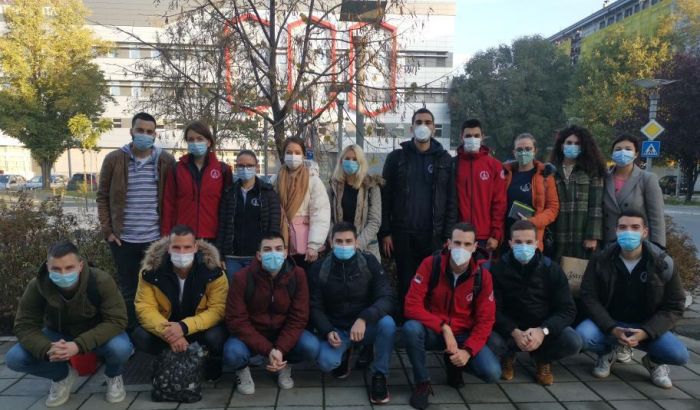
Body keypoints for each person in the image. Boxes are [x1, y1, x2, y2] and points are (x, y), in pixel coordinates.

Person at [6, 241, 131, 407]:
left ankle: (114, 375)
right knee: (14, 358)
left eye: (69, 268)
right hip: (58, 335)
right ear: (48, 267)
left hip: (97, 333)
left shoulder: (100, 280)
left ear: (80, 265)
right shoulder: (37, 286)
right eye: (56, 269)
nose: (63, 274)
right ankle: (62, 376)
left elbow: (117, 320)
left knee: (121, 348)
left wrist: (78, 345)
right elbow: (24, 325)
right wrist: (46, 347)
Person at [576, 211, 688, 389]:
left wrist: (647, 331)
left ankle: (654, 362)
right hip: (611, 324)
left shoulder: (662, 263)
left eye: (635, 227)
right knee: (582, 336)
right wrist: (611, 328)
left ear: (645, 232)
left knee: (679, 355)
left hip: (646, 325)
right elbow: (588, 296)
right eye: (623, 227)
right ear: (616, 231)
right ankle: (607, 352)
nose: (629, 232)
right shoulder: (601, 259)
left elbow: (674, 305)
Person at [403, 223, 500, 410]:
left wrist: (468, 351)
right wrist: (443, 327)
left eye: (466, 244)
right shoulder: (431, 264)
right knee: (411, 329)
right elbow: (411, 305)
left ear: (474, 247)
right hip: (434, 330)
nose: (461, 249)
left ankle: (455, 364)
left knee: (492, 373)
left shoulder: (483, 276)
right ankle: (422, 383)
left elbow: (486, 320)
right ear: (448, 244)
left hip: (463, 334)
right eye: (457, 243)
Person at [97, 112, 175, 330]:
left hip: (155, 241)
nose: (144, 135)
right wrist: (109, 232)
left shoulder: (165, 161)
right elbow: (102, 196)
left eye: (149, 132)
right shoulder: (114, 159)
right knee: (130, 290)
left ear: (155, 135)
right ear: (131, 131)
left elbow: (171, 200)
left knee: (159, 288)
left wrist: (166, 237)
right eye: (140, 130)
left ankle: (156, 333)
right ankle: (133, 336)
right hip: (124, 240)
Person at [380, 108, 457, 314]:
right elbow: (385, 197)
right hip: (402, 234)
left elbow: (451, 200)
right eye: (419, 122)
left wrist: (449, 234)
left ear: (434, 127)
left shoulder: (445, 160)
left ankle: (427, 327)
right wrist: (385, 232)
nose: (423, 126)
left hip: (433, 235)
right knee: (406, 282)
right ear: (412, 126)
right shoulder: (396, 158)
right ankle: (405, 327)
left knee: (431, 283)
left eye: (428, 122)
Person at [487, 220, 582, 386]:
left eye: (529, 242)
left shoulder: (552, 269)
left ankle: (542, 359)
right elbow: (492, 310)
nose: (523, 246)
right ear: (510, 243)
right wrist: (514, 331)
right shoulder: (498, 269)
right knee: (490, 339)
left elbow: (567, 310)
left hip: (541, 328)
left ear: (537, 243)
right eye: (518, 242)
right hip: (510, 329)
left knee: (573, 341)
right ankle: (508, 356)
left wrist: (542, 330)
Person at [310, 222, 396, 405]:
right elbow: (315, 306)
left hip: (364, 326)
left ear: (356, 242)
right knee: (326, 363)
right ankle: (346, 351)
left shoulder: (369, 261)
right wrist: (326, 330)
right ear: (331, 243)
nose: (343, 245)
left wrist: (364, 318)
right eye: (339, 241)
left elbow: (387, 297)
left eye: (348, 241)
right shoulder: (319, 268)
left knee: (387, 324)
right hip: (337, 329)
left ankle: (380, 375)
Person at [224, 233, 319, 394]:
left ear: (285, 252)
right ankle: (242, 371)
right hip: (253, 333)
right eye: (267, 249)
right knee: (233, 352)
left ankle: (284, 365)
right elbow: (236, 320)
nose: (273, 253)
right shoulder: (242, 278)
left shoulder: (298, 275)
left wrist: (280, 349)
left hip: (283, 332)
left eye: (278, 249)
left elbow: (299, 317)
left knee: (311, 346)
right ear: (259, 255)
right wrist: (269, 350)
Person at [133, 224, 229, 381]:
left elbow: (218, 310)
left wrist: (184, 328)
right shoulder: (150, 272)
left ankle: (209, 360)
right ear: (168, 248)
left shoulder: (214, 271)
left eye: (187, 247)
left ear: (196, 247)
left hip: (198, 329)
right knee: (140, 336)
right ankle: (168, 358)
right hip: (167, 330)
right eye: (176, 247)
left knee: (216, 336)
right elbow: (144, 308)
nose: (182, 252)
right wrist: (172, 335)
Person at [217, 150, 281, 279]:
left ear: (257, 167)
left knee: (257, 295)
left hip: (257, 257)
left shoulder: (267, 193)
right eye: (241, 165)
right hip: (232, 257)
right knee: (235, 293)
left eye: (249, 165)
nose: (245, 168)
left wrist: (268, 253)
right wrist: (220, 254)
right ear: (236, 167)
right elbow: (222, 226)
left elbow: (273, 227)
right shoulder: (229, 193)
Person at [161, 121, 230, 241]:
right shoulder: (176, 169)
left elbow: (227, 206)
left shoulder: (223, 170)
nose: (195, 142)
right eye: (190, 139)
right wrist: (166, 235)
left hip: (212, 237)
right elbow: (169, 204)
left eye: (199, 139)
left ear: (208, 142)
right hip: (182, 236)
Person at [273, 137, 331, 270]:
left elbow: (320, 213)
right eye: (289, 152)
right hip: (281, 242)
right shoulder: (275, 180)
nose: (293, 156)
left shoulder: (313, 180)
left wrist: (314, 245)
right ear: (283, 154)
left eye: (297, 152)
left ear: (303, 155)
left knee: (306, 283)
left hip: (306, 247)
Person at [550, 125, 606, 261]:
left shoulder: (592, 170)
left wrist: (592, 235)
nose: (572, 146)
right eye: (569, 143)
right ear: (561, 145)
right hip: (558, 233)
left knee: (580, 276)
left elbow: (596, 205)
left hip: (582, 235)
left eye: (577, 143)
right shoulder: (552, 170)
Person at [603, 133, 665, 248]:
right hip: (609, 244)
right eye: (618, 149)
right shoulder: (603, 178)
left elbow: (657, 218)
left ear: (635, 154)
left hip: (638, 244)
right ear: (612, 154)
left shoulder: (647, 179)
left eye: (628, 149)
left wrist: (658, 247)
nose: (622, 152)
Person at [454, 119, 507, 251]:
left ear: (482, 137)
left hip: (485, 236)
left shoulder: (494, 165)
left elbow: (499, 203)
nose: (472, 139)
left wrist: (496, 234)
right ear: (461, 137)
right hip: (459, 235)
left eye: (476, 136)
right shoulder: (453, 164)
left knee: (482, 271)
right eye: (468, 136)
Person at [503, 133, 559, 253]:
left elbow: (553, 209)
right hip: (506, 237)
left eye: (528, 149)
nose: (523, 152)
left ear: (535, 151)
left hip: (532, 237)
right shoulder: (504, 174)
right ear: (514, 152)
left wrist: (531, 222)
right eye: (519, 149)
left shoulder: (545, 175)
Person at [329, 144, 383, 260]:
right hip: (339, 246)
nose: (350, 162)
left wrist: (357, 243)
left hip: (366, 248)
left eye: (355, 159)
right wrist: (334, 238)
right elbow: (329, 218)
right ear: (341, 161)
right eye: (347, 159)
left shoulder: (372, 186)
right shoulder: (333, 186)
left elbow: (374, 221)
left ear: (361, 162)